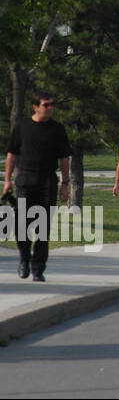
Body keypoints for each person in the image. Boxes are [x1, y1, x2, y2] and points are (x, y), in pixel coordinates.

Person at [3, 90, 72, 281]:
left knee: (43, 227)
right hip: (25, 179)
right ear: (35, 106)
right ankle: (24, 259)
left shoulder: (57, 129)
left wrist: (65, 183)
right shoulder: (22, 126)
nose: (50, 108)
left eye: (52, 105)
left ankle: (38, 268)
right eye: (46, 105)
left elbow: (65, 157)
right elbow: (11, 154)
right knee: (22, 224)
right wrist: (7, 180)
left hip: (47, 182)